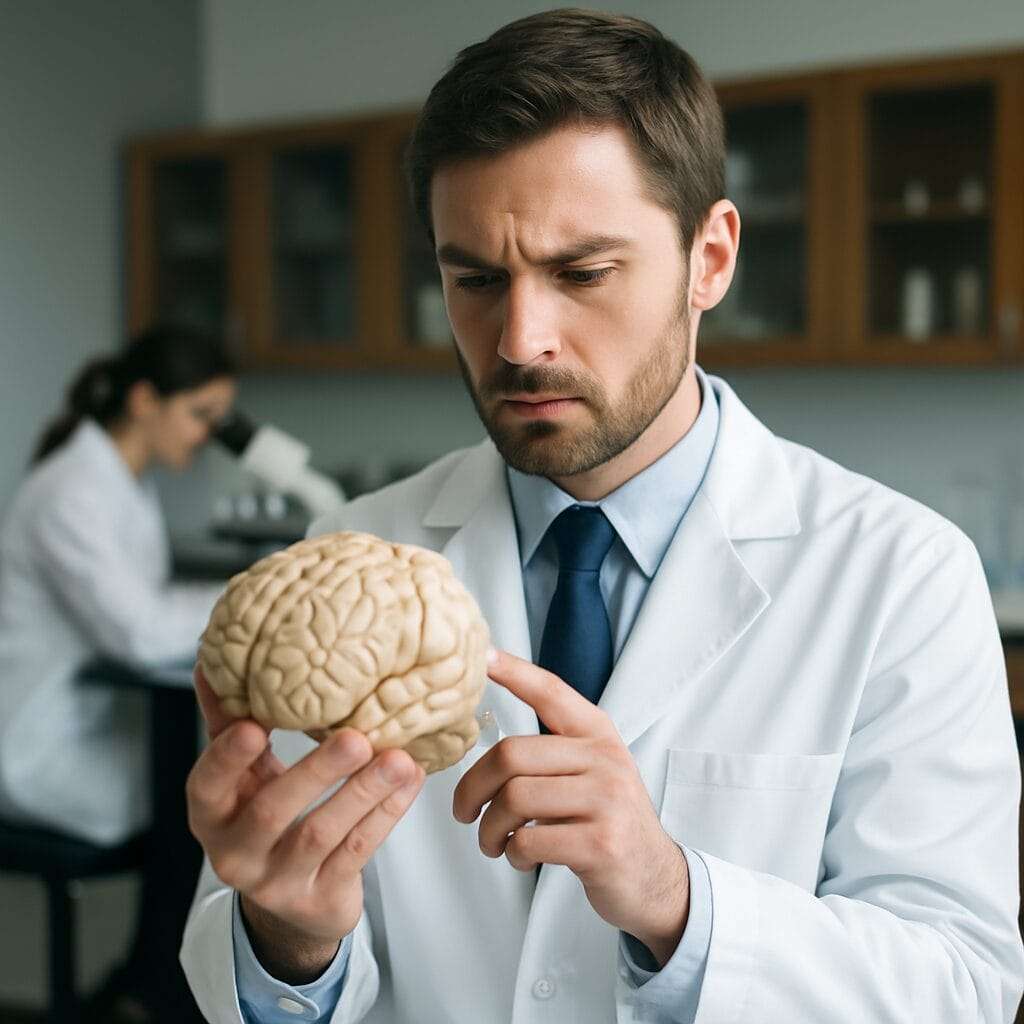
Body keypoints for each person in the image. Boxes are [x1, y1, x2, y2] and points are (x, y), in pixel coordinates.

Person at [181, 10, 1024, 1023]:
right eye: (476, 279)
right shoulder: (349, 555)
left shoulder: (899, 574)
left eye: (582, 272)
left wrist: (673, 896)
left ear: (708, 258)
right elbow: (263, 971)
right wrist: (290, 940)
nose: (521, 338)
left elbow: (962, 985)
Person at [0, 324, 236, 1022]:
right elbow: (137, 632)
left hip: (95, 724)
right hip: (41, 745)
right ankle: (156, 991)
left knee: (201, 800)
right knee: (203, 810)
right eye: (199, 415)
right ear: (143, 400)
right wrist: (246, 596)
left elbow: (150, 617)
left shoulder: (122, 483)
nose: (205, 436)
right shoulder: (72, 489)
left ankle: (147, 980)